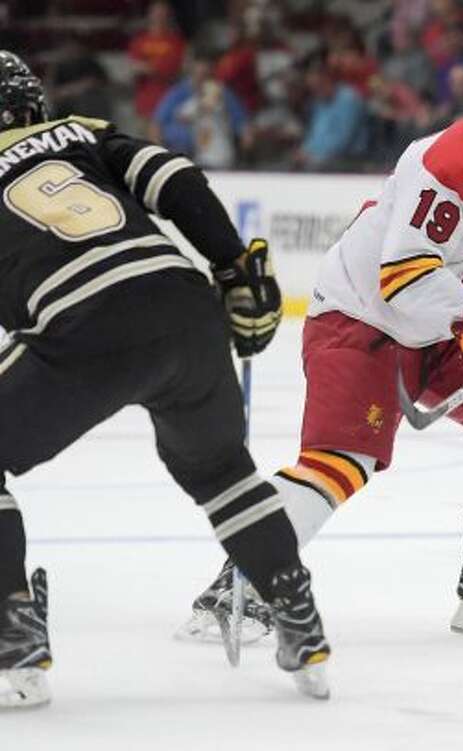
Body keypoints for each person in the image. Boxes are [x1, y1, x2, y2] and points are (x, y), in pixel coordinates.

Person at [181, 53, 463, 637]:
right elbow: (404, 275)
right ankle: (241, 583)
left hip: (445, 328)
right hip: (363, 319)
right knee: (341, 461)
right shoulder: (444, 165)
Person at [0, 51, 330, 708]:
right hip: (186, 311)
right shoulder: (84, 132)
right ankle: (298, 615)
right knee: (221, 471)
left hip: (80, 322)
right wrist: (234, 267)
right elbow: (174, 176)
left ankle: (12, 624)